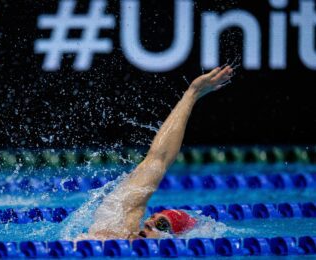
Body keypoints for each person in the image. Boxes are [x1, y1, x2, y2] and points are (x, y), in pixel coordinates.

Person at [80, 65, 234, 240]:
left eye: (162, 225)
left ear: (171, 239)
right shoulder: (115, 224)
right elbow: (158, 160)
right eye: (152, 218)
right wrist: (191, 94)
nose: (148, 223)